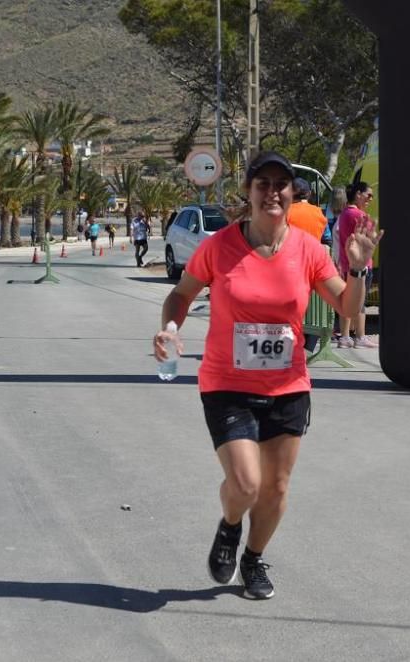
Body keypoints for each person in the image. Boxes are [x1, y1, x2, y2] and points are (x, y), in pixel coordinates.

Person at [152, 150, 383, 600]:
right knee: (246, 483)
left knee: (275, 488)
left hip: (287, 387)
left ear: (292, 194)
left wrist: (357, 268)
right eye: (263, 184)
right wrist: (170, 329)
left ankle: (253, 559)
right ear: (249, 192)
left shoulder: (308, 250)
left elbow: (350, 309)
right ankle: (230, 525)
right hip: (227, 385)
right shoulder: (218, 247)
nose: (272, 192)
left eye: (282, 184)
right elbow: (181, 295)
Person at [335, 183, 378, 348]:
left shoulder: (345, 213)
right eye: (368, 195)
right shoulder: (358, 215)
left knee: (347, 301)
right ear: (358, 194)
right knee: (361, 303)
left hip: (347, 264)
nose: (370, 199)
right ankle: (359, 336)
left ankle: (345, 337)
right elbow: (371, 236)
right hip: (360, 265)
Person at [286, 177, 328, 242]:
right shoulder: (320, 213)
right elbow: (327, 239)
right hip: (315, 251)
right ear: (309, 194)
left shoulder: (285, 213)